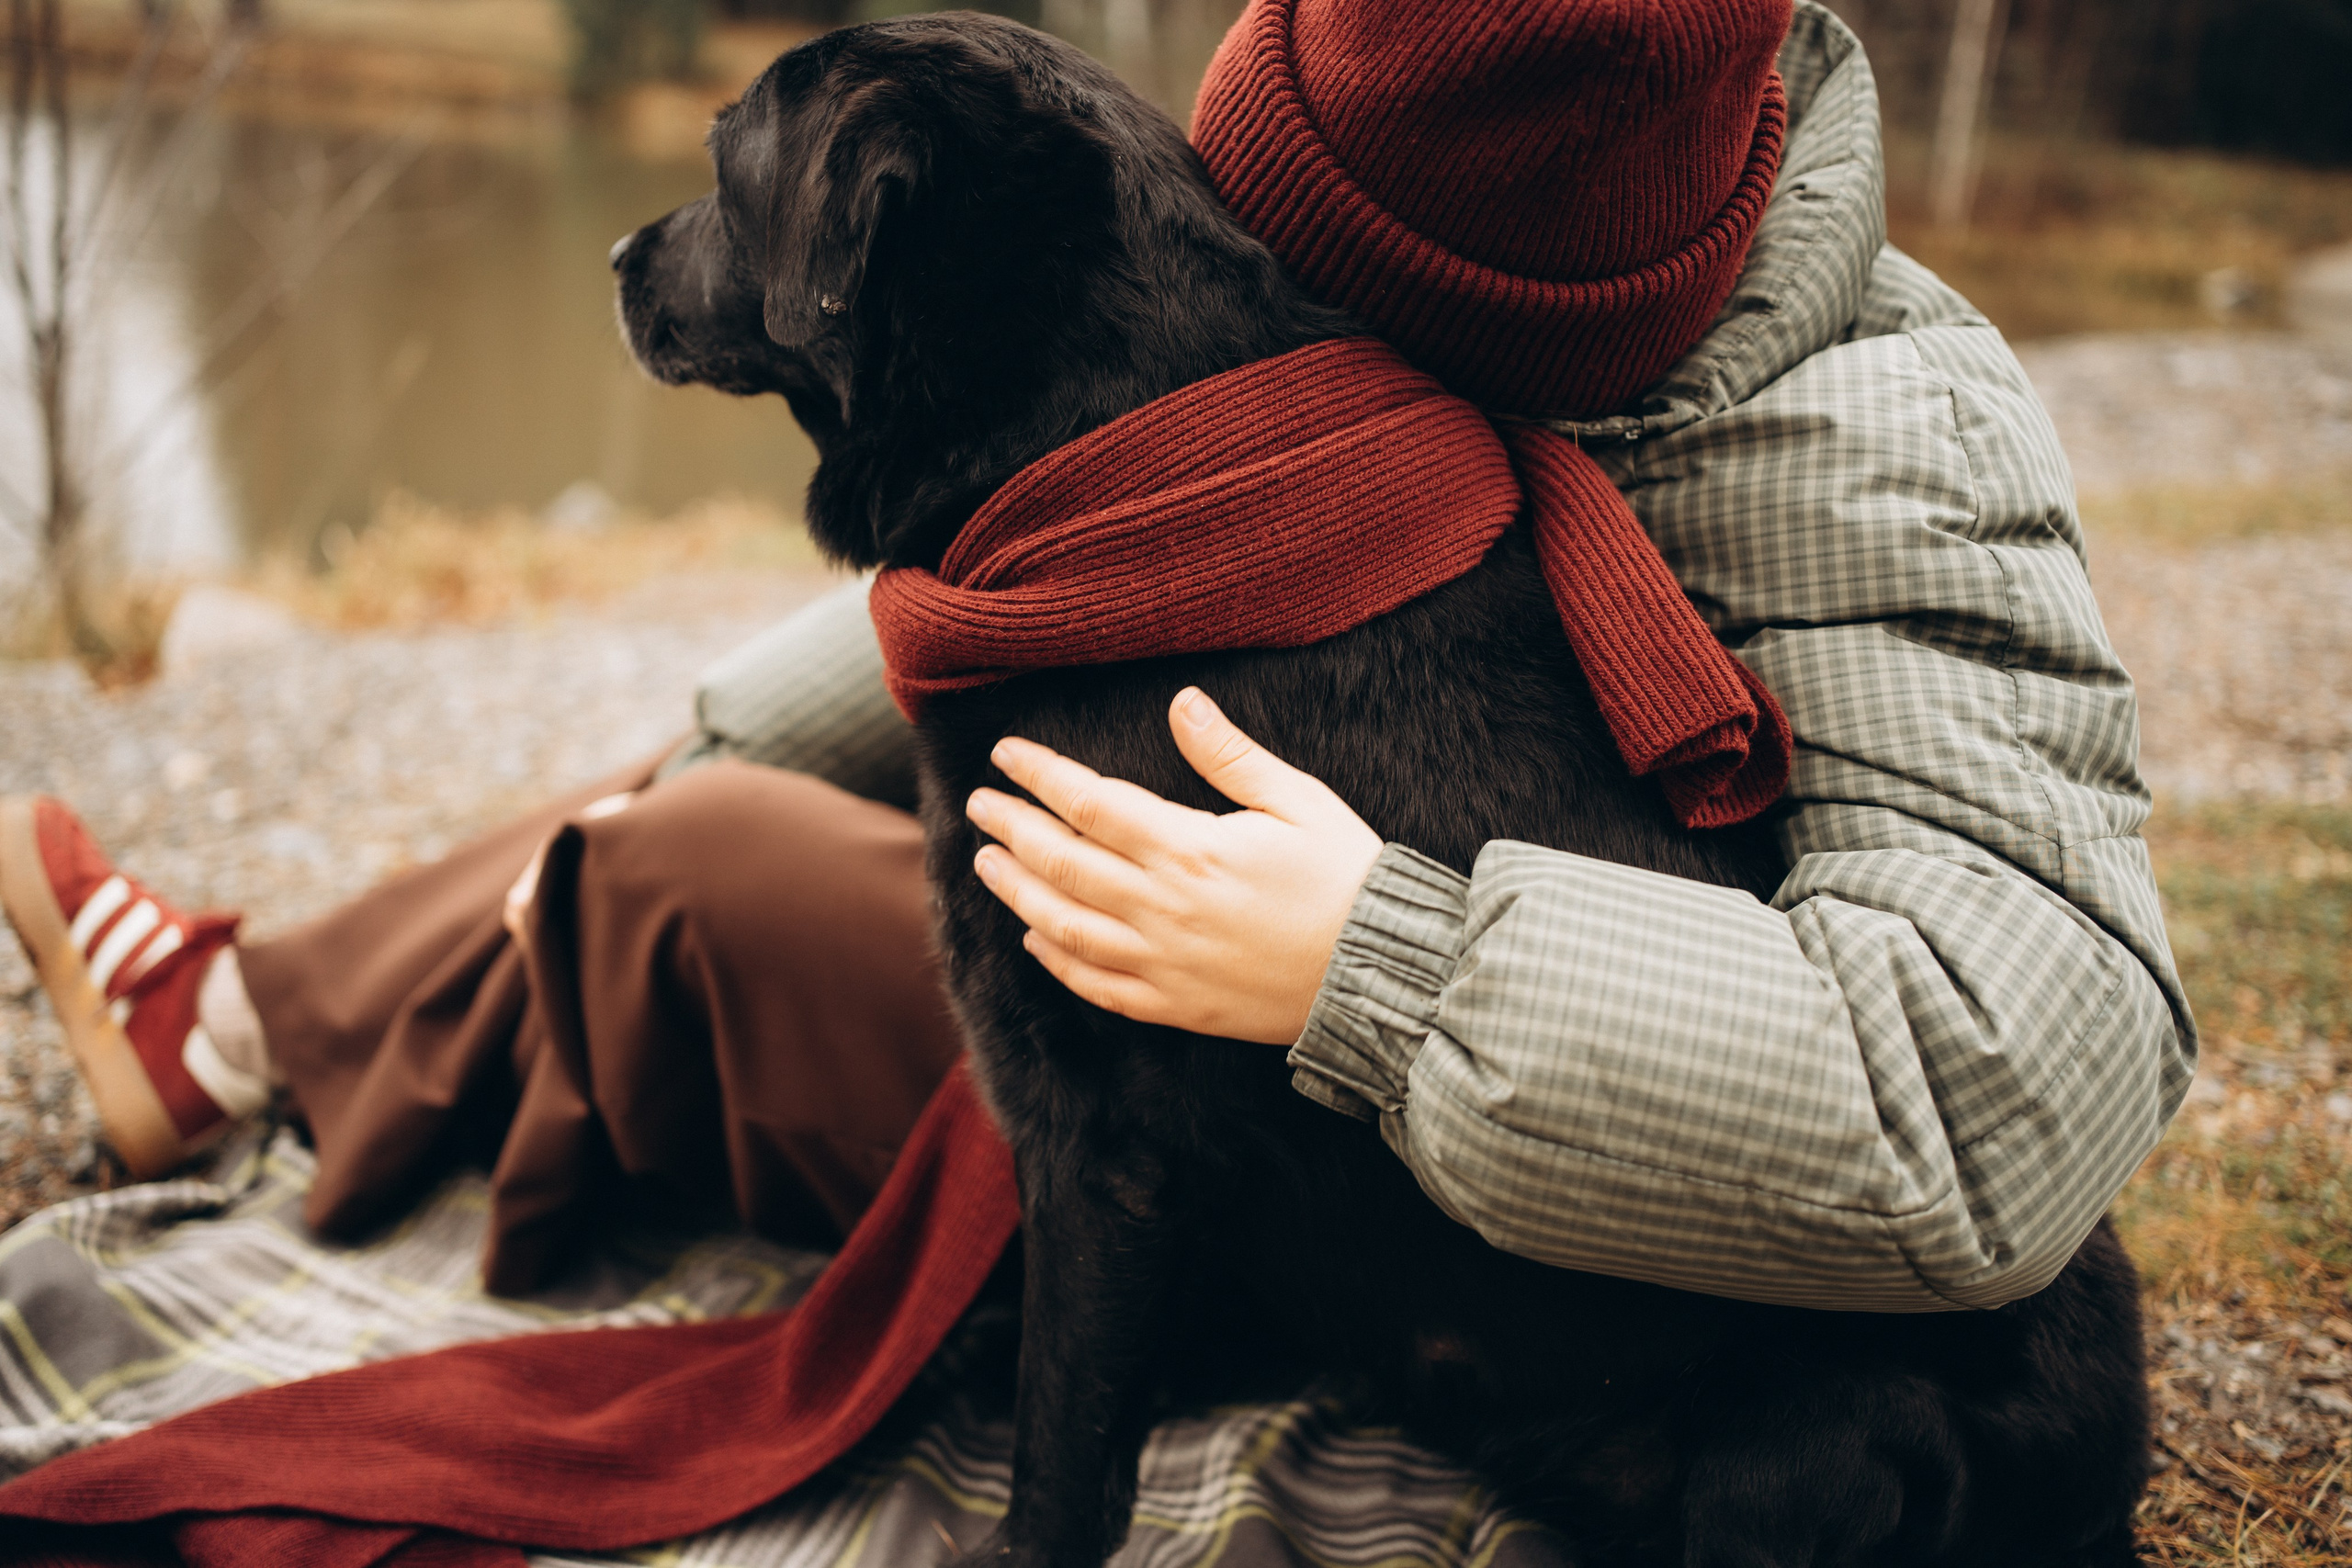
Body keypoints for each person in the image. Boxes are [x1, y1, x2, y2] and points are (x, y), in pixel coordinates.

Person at [2, 0, 2188, 1323]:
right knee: (681, 798)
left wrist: (1380, 960)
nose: (1268, 289)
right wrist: (713, 729)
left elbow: (2000, 1089)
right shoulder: (1341, 262)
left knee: (693, 893)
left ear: (1592, 308)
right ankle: (234, 1021)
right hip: (1242, 971)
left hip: (1433, 1147)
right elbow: (1116, 548)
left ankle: (253, 1029)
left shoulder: (1896, 449)